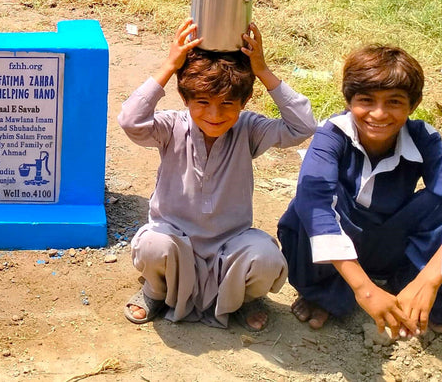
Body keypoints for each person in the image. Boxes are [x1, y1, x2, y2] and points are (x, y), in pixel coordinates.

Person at [118, 19, 316, 330]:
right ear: (185, 100)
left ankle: (243, 300)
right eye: (203, 103)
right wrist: (170, 65)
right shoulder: (171, 127)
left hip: (231, 246)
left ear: (244, 102)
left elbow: (303, 127)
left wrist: (262, 70)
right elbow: (130, 121)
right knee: (153, 245)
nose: (215, 115)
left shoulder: (247, 129)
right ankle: (155, 291)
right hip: (175, 242)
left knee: (266, 259)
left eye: (227, 104)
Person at [278, 45, 442, 337]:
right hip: (341, 243)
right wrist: (364, 290)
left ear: (413, 105)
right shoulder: (332, 135)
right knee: (310, 204)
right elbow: (314, 206)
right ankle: (326, 292)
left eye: (394, 102)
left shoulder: (424, 139)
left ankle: (408, 285)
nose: (379, 114)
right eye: (366, 100)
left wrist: (428, 280)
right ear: (349, 100)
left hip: (388, 243)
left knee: (435, 204)